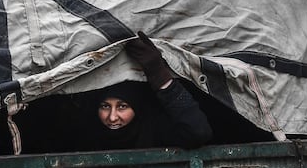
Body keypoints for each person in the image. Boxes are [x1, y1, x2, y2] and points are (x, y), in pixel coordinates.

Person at [75, 31, 213, 151]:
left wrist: (159, 75)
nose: (112, 117)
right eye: (105, 106)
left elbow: (198, 133)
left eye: (122, 106)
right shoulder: (86, 132)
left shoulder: (153, 129)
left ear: (137, 106)